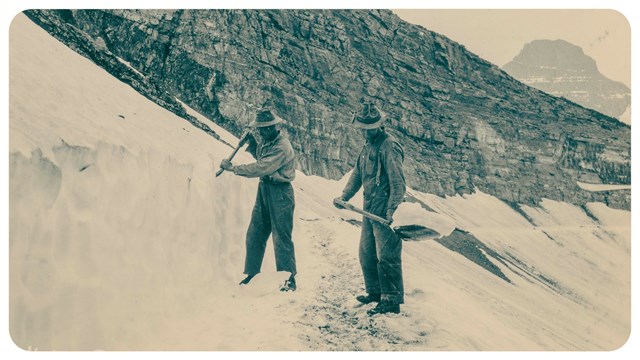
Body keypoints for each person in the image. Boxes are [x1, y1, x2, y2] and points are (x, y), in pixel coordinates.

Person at [333, 103, 406, 315]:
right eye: (363, 128)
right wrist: (344, 196)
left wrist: (392, 210)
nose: (365, 131)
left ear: (380, 125)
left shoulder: (389, 146)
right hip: (368, 206)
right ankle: (375, 292)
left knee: (387, 256)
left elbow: (398, 182)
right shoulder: (367, 146)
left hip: (384, 208)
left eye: (370, 128)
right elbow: (357, 174)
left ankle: (391, 300)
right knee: (366, 252)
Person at [220, 109, 298, 291]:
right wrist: (252, 143)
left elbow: (263, 166)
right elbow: (261, 157)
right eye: (258, 129)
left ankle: (289, 278)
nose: (260, 132)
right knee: (255, 233)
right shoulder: (266, 140)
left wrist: (233, 168)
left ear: (273, 127)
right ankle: (252, 274)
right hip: (264, 189)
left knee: (281, 236)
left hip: (281, 193)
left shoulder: (282, 146)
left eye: (263, 129)